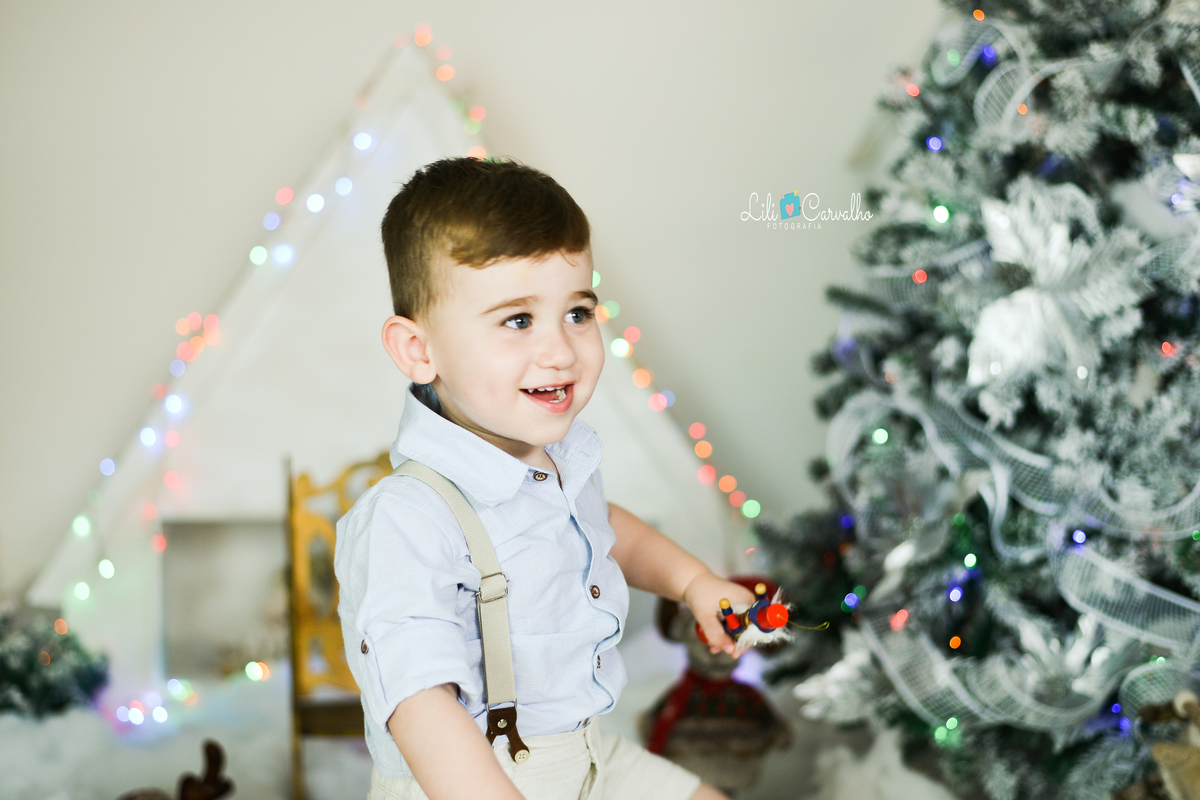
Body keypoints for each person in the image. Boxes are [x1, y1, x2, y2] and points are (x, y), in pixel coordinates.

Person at [334, 156, 756, 800]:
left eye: (578, 313)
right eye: (518, 320)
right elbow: (419, 704)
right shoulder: (407, 516)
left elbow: (603, 527)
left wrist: (691, 581)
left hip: (585, 753)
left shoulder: (553, 459)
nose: (561, 351)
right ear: (419, 351)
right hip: (472, 777)